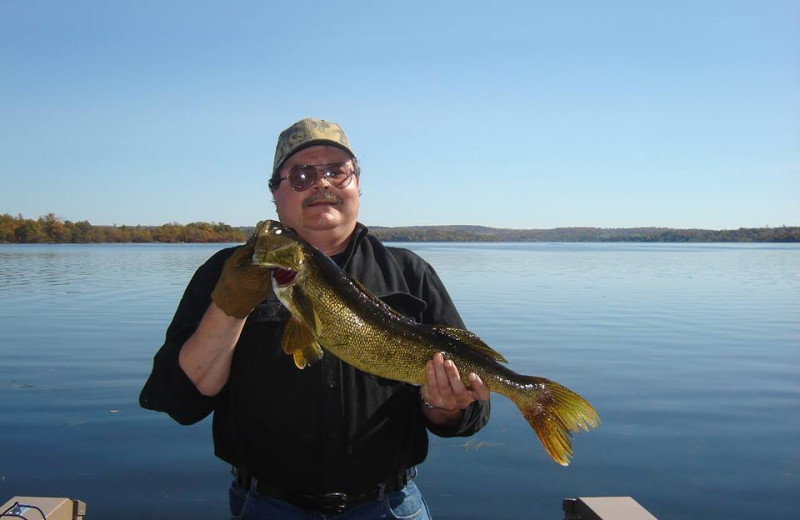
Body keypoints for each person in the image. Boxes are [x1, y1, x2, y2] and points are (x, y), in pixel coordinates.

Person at [140, 117, 491, 519]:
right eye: (302, 175)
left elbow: (469, 416)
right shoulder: (226, 272)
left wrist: (445, 405)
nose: (322, 184)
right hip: (266, 507)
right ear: (276, 193)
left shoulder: (411, 273)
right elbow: (181, 400)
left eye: (336, 172)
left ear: (358, 183)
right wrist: (229, 306)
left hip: (389, 506)